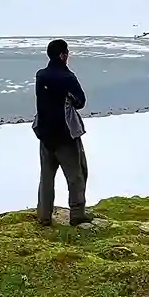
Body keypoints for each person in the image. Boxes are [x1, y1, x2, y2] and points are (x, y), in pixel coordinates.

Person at [33, 38, 93, 226]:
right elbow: (80, 101)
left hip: (45, 134)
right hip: (65, 135)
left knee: (46, 177)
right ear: (62, 55)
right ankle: (77, 214)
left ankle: (44, 216)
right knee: (76, 175)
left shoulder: (41, 76)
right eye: (66, 52)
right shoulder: (67, 78)